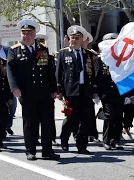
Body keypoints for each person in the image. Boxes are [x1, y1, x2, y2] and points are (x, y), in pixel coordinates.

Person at [7, 20, 59, 160]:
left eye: (29, 33)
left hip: (44, 91)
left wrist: (54, 89)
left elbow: (49, 70)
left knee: (47, 122)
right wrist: (15, 88)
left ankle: (47, 150)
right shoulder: (14, 50)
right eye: (24, 33)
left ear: (35, 34)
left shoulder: (42, 49)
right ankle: (30, 151)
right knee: (30, 123)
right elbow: (10, 70)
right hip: (27, 93)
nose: (26, 35)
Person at [56, 25, 97, 154]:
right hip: (71, 91)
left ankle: (82, 145)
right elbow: (58, 73)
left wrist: (94, 89)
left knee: (85, 120)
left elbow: (93, 74)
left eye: (77, 38)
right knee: (71, 119)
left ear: (82, 40)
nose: (74, 40)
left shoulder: (89, 54)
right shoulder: (63, 53)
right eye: (72, 38)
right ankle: (64, 139)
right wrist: (59, 90)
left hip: (85, 90)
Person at [96, 33, 125, 150]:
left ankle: (116, 140)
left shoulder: (121, 59)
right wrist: (97, 92)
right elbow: (97, 77)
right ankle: (107, 140)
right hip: (106, 92)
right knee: (109, 116)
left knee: (118, 116)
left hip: (119, 92)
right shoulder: (101, 59)